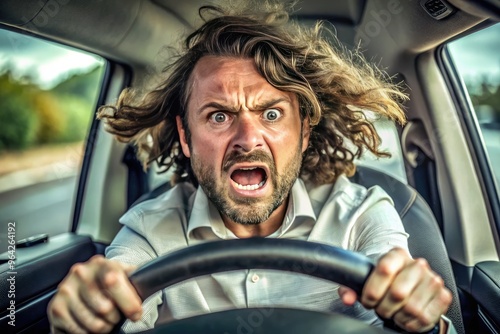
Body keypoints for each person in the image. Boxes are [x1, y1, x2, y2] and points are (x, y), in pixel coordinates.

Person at [47, 1, 454, 333]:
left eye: (272, 114)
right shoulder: (150, 231)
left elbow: (399, 279)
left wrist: (420, 315)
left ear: (305, 132)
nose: (248, 139)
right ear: (186, 137)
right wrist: (91, 305)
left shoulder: (364, 215)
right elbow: (117, 279)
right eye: (219, 116)